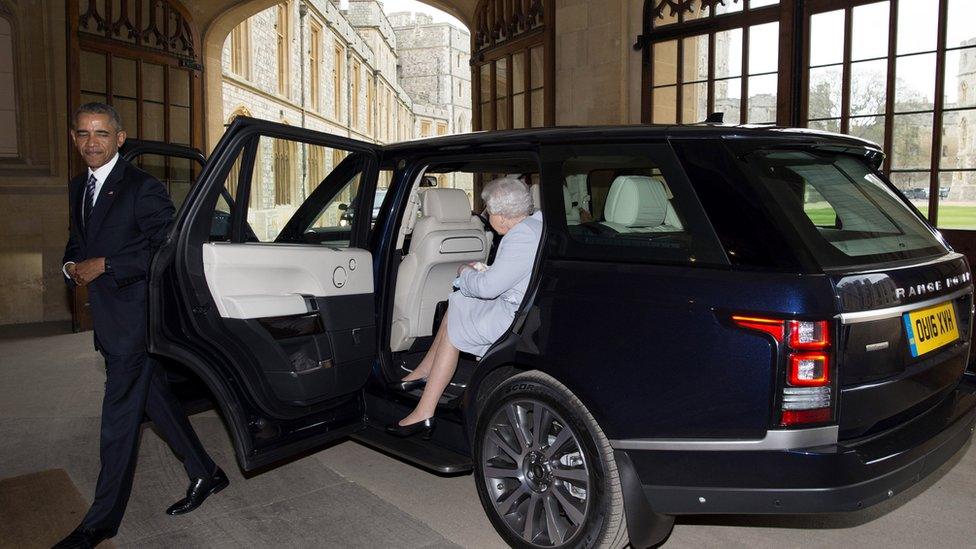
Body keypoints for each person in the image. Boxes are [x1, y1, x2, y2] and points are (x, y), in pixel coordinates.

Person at [54, 103, 226, 549]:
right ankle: (206, 473)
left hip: (137, 321)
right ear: (74, 138)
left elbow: (168, 251)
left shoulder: (142, 188)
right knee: (157, 402)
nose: (92, 142)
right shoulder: (78, 187)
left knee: (117, 422)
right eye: (83, 133)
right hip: (109, 318)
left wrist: (106, 264)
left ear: (120, 138)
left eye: (102, 134)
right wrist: (72, 264)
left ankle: (100, 523)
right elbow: (79, 240)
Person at [386, 176, 543, 438]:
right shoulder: (536, 224)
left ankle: (424, 411)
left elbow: (488, 288)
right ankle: (425, 370)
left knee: (458, 312)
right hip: (528, 310)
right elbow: (513, 273)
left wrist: (464, 272)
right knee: (459, 303)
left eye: (489, 212)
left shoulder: (520, 237)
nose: (487, 217)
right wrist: (483, 272)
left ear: (502, 217)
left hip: (512, 318)